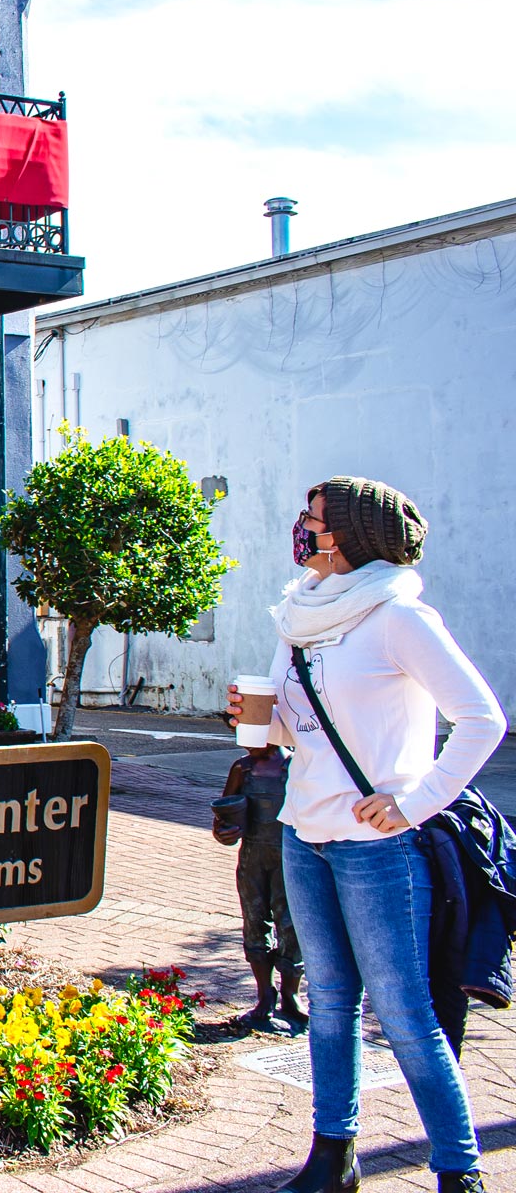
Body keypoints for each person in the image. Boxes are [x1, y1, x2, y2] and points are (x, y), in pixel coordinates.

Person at [230, 477, 505, 1193]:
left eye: (313, 520)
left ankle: (458, 1170)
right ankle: (333, 1156)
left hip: (379, 848)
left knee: (405, 1012)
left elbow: (481, 718)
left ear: (347, 534)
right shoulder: (300, 614)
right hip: (303, 833)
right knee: (328, 1002)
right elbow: (298, 725)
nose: (300, 528)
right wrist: (258, 720)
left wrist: (416, 801)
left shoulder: (397, 617)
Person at [212, 743, 307, 1031]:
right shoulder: (243, 769)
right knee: (254, 923)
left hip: (290, 859)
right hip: (253, 859)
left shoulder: (296, 766)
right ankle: (265, 993)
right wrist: (224, 831)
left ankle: (291, 994)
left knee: (291, 928)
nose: (247, 742)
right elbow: (224, 816)